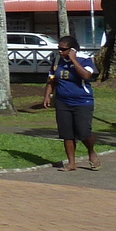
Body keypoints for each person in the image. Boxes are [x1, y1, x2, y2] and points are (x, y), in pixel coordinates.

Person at [44, 34, 98, 170]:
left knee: (83, 131)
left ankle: (91, 151)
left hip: (82, 101)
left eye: (64, 49)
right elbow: (52, 79)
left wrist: (73, 60)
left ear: (72, 49)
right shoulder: (57, 60)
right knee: (67, 133)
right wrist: (47, 95)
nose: (60, 52)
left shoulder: (85, 59)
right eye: (59, 49)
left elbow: (86, 75)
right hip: (62, 102)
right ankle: (71, 163)